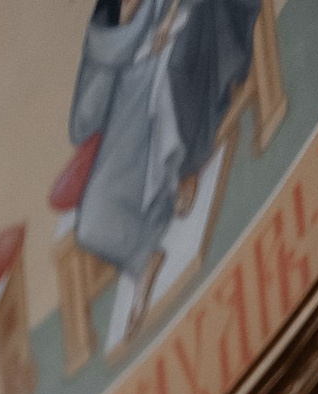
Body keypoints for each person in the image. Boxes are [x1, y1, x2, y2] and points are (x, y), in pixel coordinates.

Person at [64, 0, 261, 332]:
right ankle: (143, 260)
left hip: (182, 56)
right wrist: (115, 36)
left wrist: (170, 27)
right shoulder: (109, 14)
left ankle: (186, 165)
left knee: (176, 72)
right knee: (91, 224)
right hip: (130, 111)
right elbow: (83, 123)